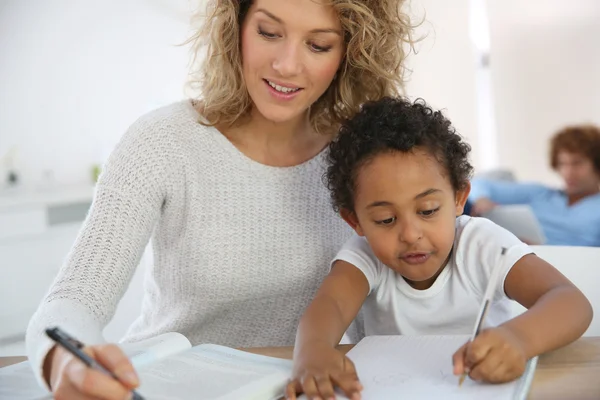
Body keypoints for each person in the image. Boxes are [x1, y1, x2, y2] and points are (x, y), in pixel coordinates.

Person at [25, 0, 414, 398]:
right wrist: (64, 361)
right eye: (268, 33)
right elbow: (73, 300)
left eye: (318, 45)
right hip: (160, 387)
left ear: (350, 53)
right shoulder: (162, 142)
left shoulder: (360, 158)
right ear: (236, 28)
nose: (287, 65)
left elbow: (404, 299)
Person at [285, 97, 592, 400]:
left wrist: (520, 340)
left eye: (428, 210)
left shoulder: (481, 243)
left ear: (459, 198)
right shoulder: (364, 255)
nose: (410, 234)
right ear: (356, 221)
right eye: (385, 219)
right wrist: (313, 352)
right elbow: (330, 306)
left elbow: (571, 303)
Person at [469, 125, 600, 246]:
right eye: (562, 164)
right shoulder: (540, 194)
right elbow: (478, 183)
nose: (568, 173)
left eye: (577, 163)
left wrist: (543, 249)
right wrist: (481, 199)